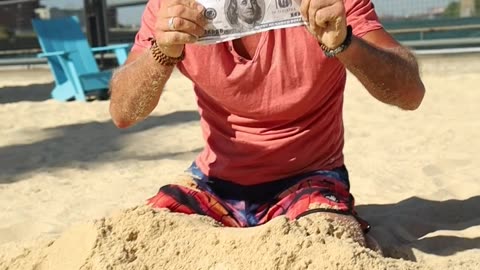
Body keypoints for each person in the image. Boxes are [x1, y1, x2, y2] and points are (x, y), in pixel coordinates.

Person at [109, 0, 425, 247]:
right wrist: (161, 52)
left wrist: (345, 43)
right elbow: (122, 112)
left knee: (330, 239)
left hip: (308, 178)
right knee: (134, 237)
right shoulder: (174, 8)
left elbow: (410, 94)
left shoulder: (329, 4)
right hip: (212, 184)